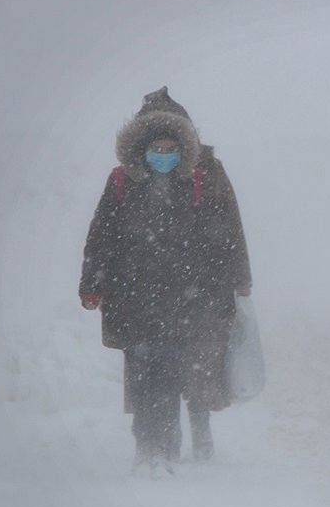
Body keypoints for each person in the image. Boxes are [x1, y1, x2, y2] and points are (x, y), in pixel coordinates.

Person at [80, 87, 252, 473]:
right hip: (135, 297)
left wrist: (237, 279)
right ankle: (148, 448)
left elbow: (229, 229)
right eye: (153, 146)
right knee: (145, 375)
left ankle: (181, 444)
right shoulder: (124, 181)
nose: (162, 154)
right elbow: (101, 235)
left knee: (189, 370)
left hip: (189, 296)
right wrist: (92, 282)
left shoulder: (203, 174)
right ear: (139, 143)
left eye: (169, 145)